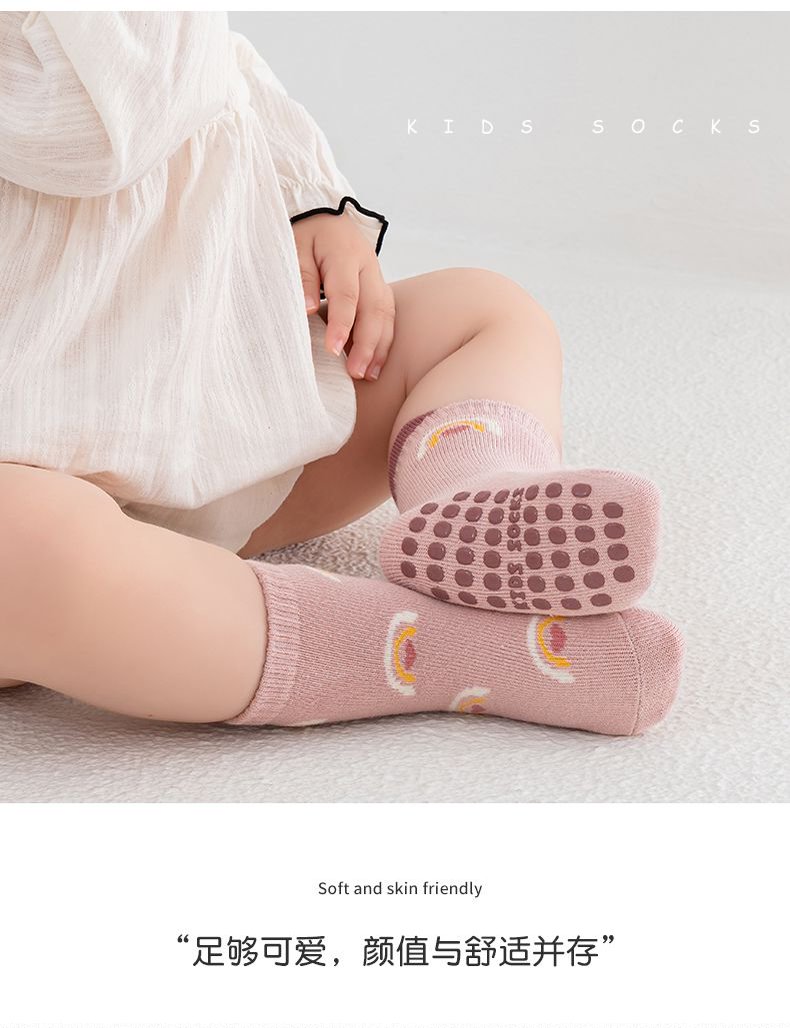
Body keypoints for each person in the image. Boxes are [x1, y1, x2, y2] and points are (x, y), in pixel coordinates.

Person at [0, 12, 682, 734]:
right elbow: (101, 132)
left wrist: (313, 210)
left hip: (233, 429)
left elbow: (230, 84)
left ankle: (475, 504)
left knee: (482, 313)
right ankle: (451, 650)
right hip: (28, 476)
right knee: (28, 548)